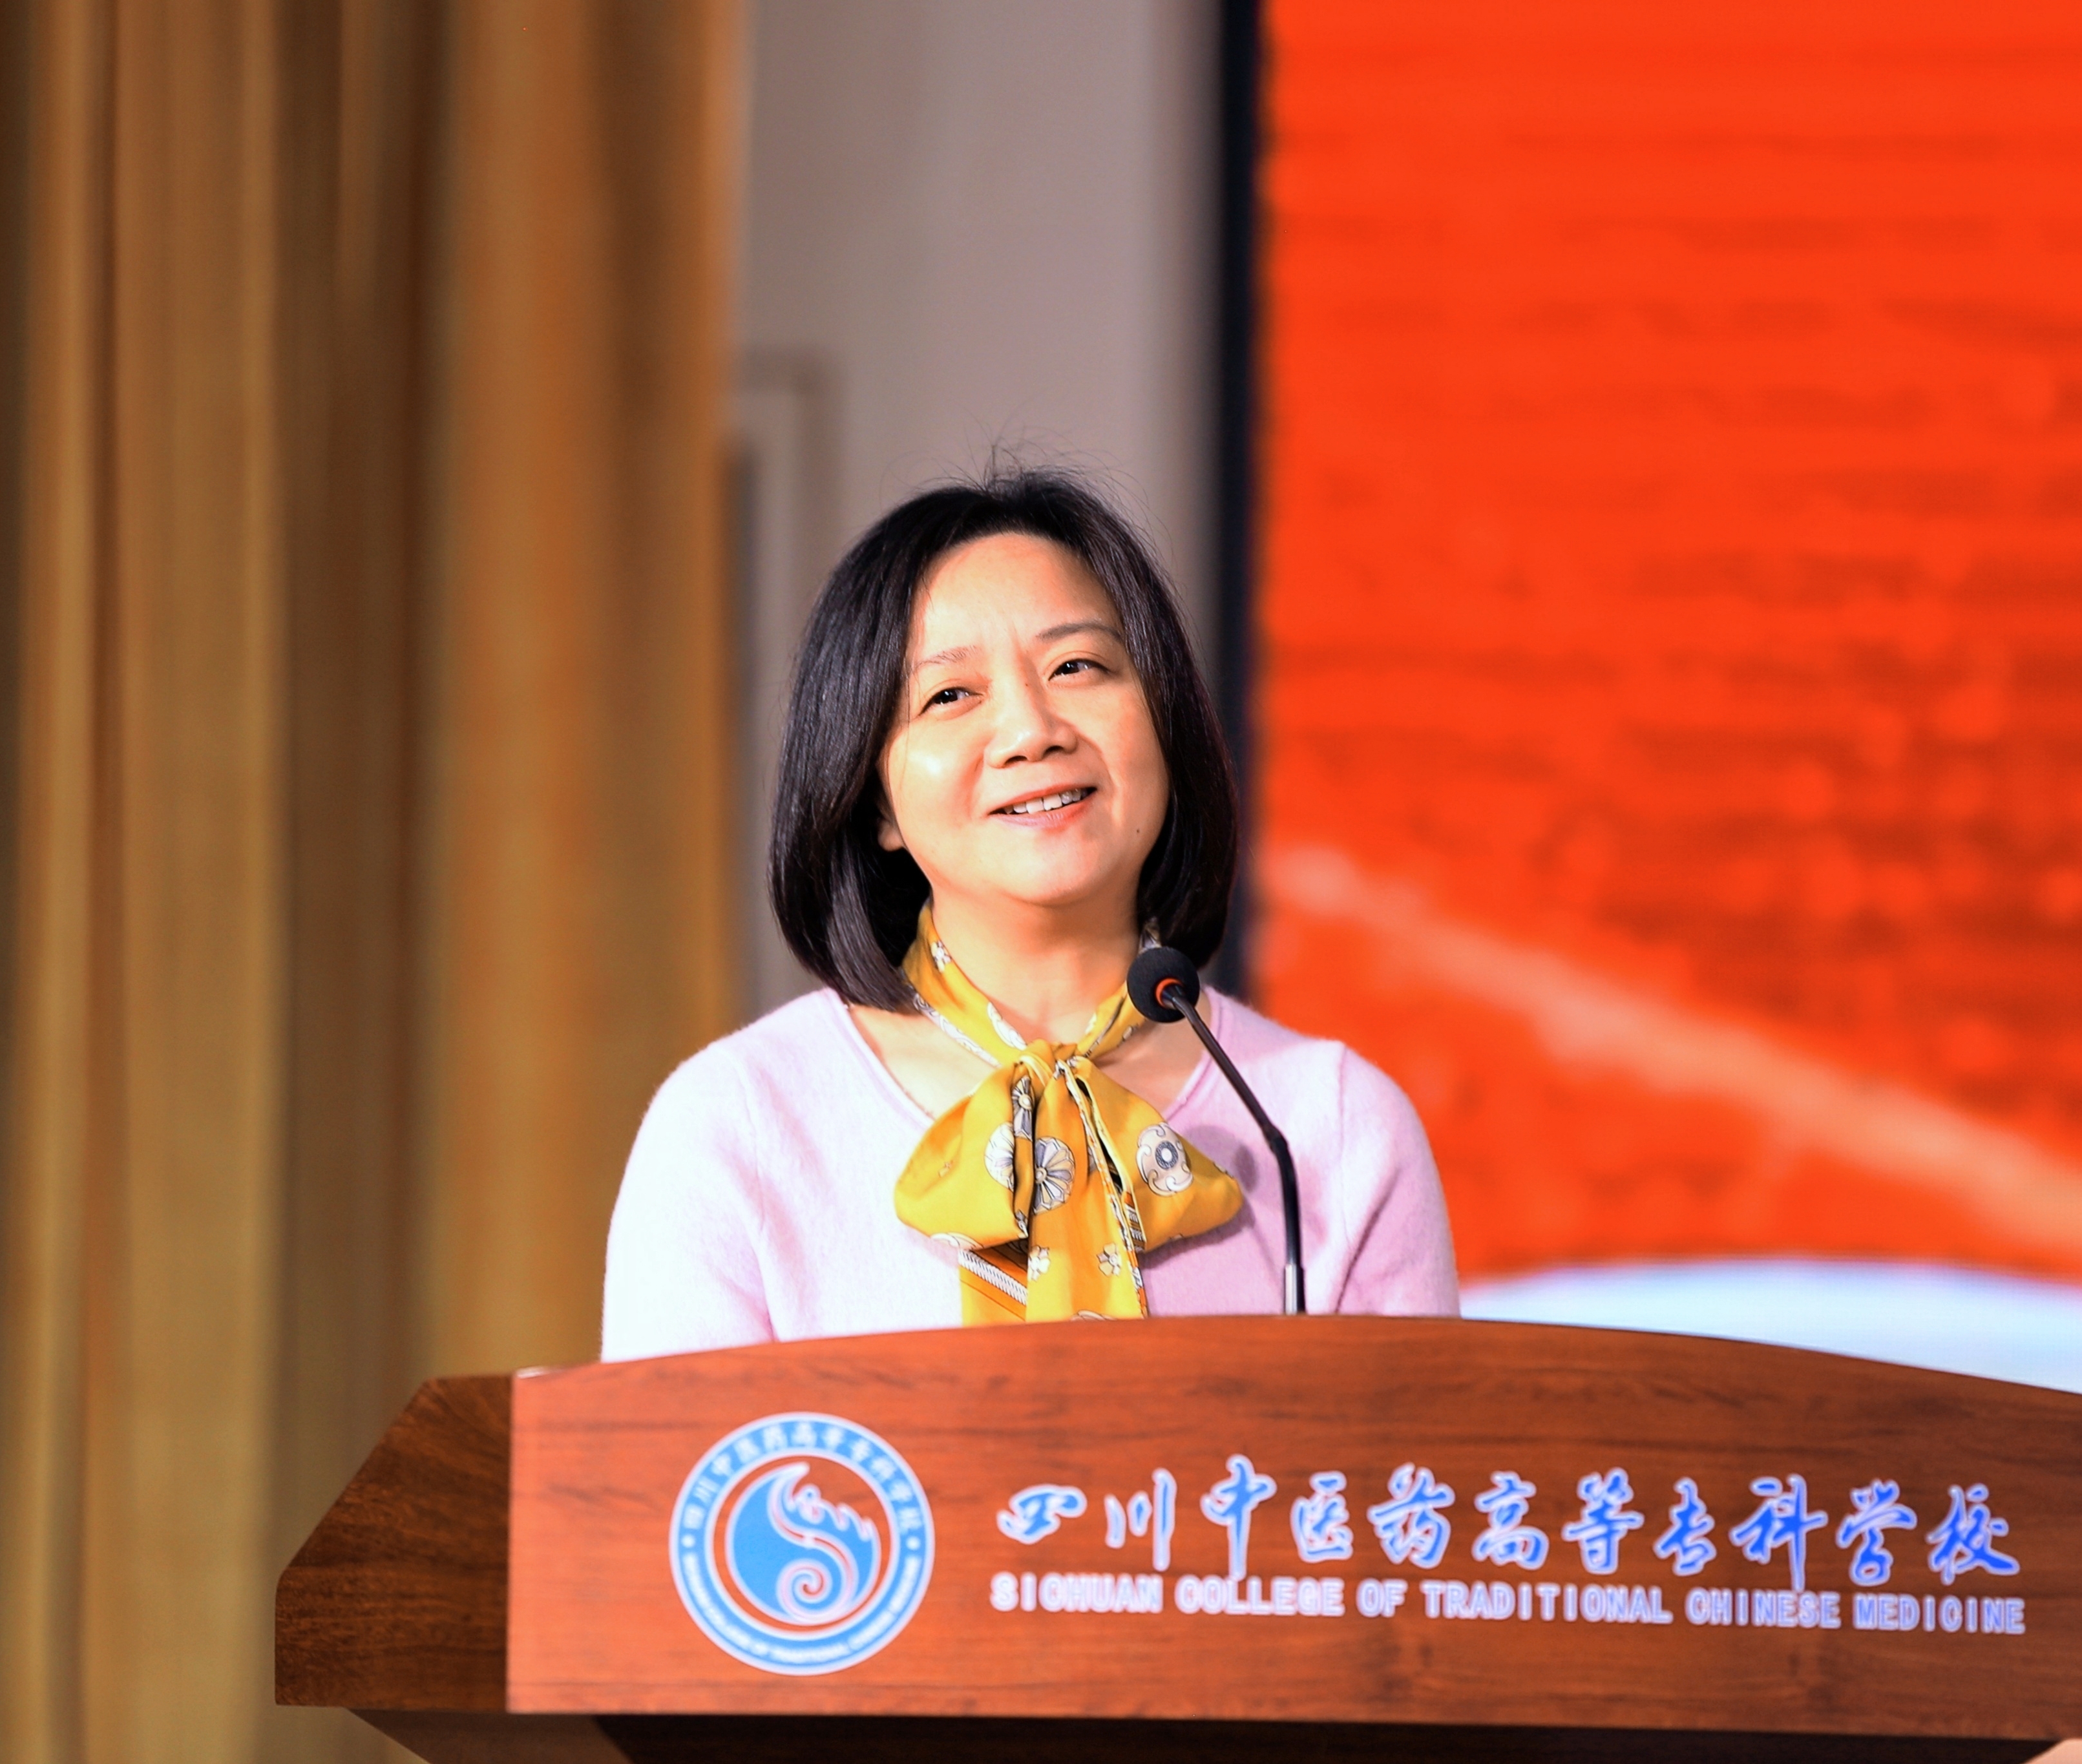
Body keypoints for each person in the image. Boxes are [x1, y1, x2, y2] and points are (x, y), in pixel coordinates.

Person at [601, 470, 1456, 1359]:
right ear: (876, 802)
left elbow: (1418, 1452)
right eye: (949, 695)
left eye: (1076, 667)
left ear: (1164, 725)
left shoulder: (1332, 1127)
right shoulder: (736, 1126)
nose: (1032, 730)